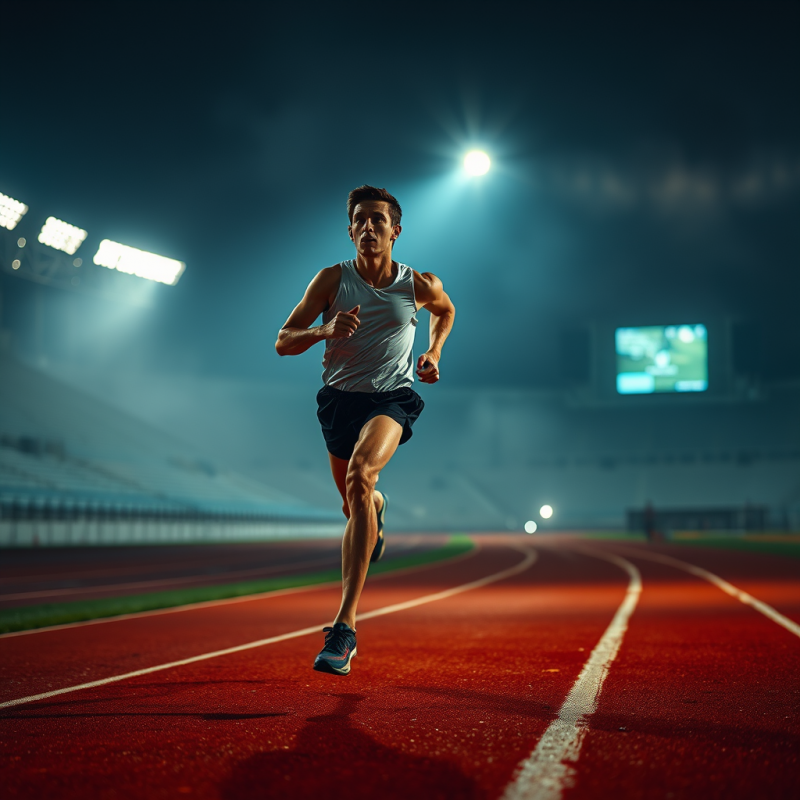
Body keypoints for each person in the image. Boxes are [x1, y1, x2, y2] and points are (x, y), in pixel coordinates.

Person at [275, 185, 455, 675]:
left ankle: (344, 627)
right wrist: (323, 332)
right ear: (350, 229)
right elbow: (282, 342)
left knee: (359, 475)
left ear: (395, 230)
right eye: (361, 219)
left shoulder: (417, 284)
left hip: (391, 398)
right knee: (354, 503)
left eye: (379, 219)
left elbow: (446, 311)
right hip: (338, 402)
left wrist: (434, 353)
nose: (370, 227)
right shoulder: (332, 280)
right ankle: (375, 508)